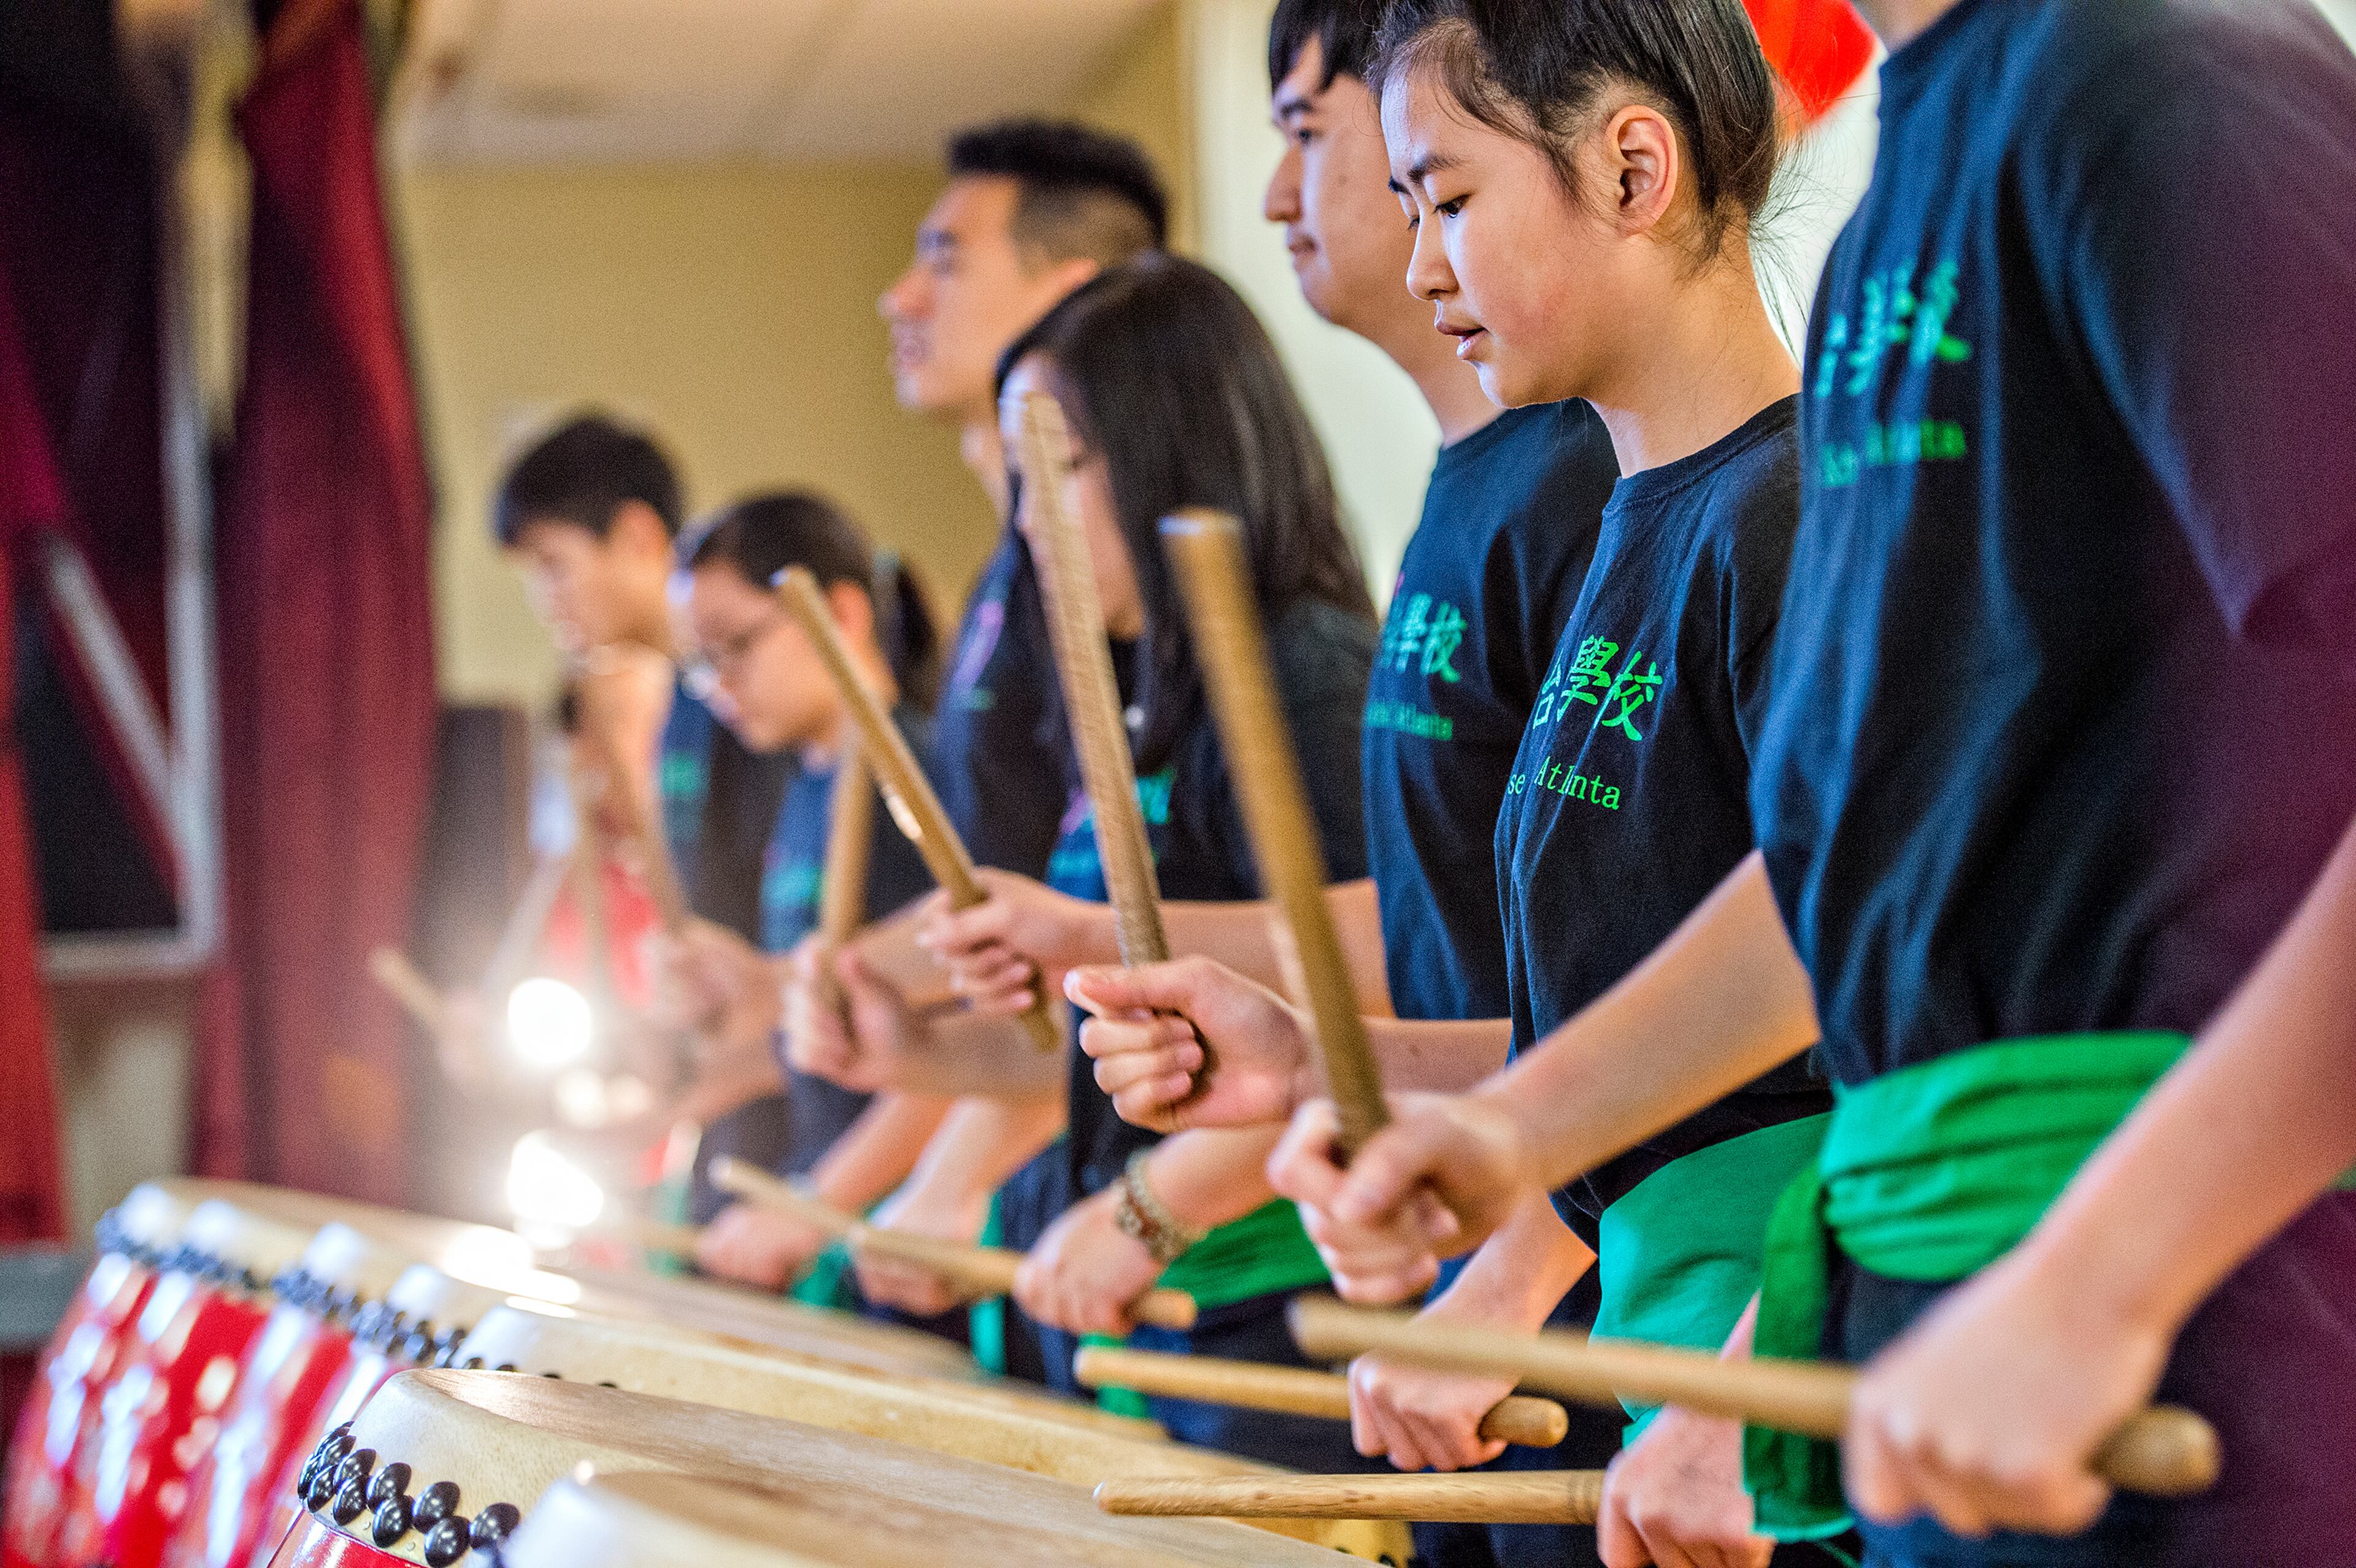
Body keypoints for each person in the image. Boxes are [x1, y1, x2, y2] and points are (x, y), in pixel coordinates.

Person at [1188, 0, 2356, 1563]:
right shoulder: (1905, 206)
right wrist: (1521, 1134)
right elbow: (1843, 877)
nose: (1419, 256)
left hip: (2180, 1319)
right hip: (1941, 1318)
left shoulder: (2152, 68)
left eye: (1444, 200)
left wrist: (2101, 1281)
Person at [1070, 4, 1873, 1562]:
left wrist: (1748, 1387)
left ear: (1631, 167)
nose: (1422, 261)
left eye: (1445, 198)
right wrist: (1316, 1055)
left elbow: (1883, 1011)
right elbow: (1603, 1040)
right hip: (1669, 1396)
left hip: (1789, 1434)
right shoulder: (1633, 531)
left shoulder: (1793, 522)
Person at [927, 4, 1623, 1561]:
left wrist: (1501, 1255)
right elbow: (1452, 967)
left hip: (1576, 1310)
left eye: (1312, 132)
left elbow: (1686, 987)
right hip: (1448, 1291)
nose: (1276, 192)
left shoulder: (1581, 488)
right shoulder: (1476, 497)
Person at [894, 254, 1384, 1467]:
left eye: (1060, 474)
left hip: (1270, 1299)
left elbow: (1376, 978)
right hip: (1160, 1296)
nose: (1026, 525)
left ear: (1176, 447)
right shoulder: (1137, 692)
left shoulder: (1302, 673)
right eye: (1021, 483)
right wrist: (897, 1038)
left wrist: (1151, 1209)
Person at [652, 493, 973, 1326]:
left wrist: (814, 1206)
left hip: (904, 1235)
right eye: (701, 660)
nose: (718, 684)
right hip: (833, 1221)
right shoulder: (803, 786)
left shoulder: (920, 781)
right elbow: (815, 1038)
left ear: (842, 611)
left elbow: (974, 1042)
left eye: (737, 646)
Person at [494, 413, 795, 1212]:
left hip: (796, 1119)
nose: (545, 601)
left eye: (556, 567)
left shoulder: (743, 702)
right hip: (720, 1110)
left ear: (635, 537)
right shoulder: (658, 704)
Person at [880, 119, 1170, 880]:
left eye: (945, 263)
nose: (899, 299)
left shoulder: (1124, 583)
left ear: (1070, 294)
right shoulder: (1008, 569)